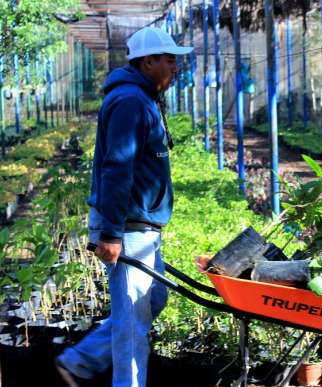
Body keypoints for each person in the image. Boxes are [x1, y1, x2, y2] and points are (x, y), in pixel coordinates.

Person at [55, 27, 193, 387]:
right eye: (169, 59)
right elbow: (118, 166)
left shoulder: (141, 97)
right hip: (129, 227)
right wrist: (111, 233)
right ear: (149, 61)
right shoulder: (131, 101)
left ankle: (80, 360)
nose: (175, 66)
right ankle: (99, 371)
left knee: (153, 299)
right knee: (133, 324)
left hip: (140, 225)